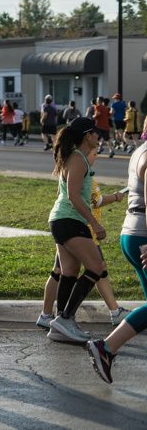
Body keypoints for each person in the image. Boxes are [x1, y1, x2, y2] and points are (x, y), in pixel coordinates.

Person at [37, 152, 129, 336]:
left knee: (64, 272)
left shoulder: (71, 166)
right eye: (94, 152)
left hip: (67, 224)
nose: (96, 156)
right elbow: (95, 200)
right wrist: (114, 198)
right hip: (79, 228)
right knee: (97, 268)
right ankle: (65, 318)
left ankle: (54, 318)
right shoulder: (81, 167)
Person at [86, 140, 147, 383]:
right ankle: (106, 348)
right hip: (143, 236)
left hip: (133, 233)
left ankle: (106, 349)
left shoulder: (140, 151)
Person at [43, 117, 108, 343]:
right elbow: (73, 196)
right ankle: (65, 319)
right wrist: (94, 223)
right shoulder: (79, 159)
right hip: (69, 220)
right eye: (96, 133)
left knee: (69, 272)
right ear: (87, 136)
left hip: (61, 220)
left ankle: (60, 324)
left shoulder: (74, 157)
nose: (99, 137)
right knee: (96, 267)